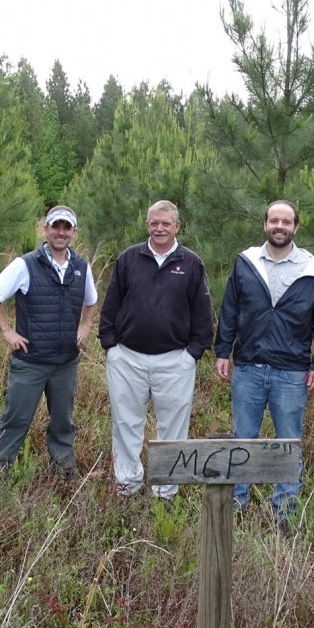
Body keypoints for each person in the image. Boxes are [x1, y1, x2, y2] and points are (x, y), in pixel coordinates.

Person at [213, 199, 314, 530]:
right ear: (265, 224)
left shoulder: (312, 271)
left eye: (286, 222)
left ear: (296, 227)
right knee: (243, 438)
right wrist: (222, 350)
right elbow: (230, 309)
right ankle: (237, 503)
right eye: (274, 221)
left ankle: (285, 511)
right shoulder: (247, 262)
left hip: (292, 372)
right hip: (248, 367)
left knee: (288, 442)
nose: (279, 226)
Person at [99, 200, 214, 498]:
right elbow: (111, 304)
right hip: (127, 358)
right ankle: (128, 482)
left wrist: (193, 353)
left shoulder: (191, 262)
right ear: (147, 225)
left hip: (175, 360)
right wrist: (110, 345)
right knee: (126, 423)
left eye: (166, 223)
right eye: (154, 223)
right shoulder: (129, 258)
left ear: (177, 226)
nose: (159, 228)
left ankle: (166, 489)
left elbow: (202, 311)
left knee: (173, 428)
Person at [0, 205, 97, 476]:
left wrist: (86, 325)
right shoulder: (25, 265)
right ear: (45, 229)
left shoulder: (81, 267)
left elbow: (91, 301)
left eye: (67, 227)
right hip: (30, 362)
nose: (61, 232)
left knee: (63, 423)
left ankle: (64, 472)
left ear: (74, 232)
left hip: (65, 363)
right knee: (16, 420)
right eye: (56, 226)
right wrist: (7, 332)